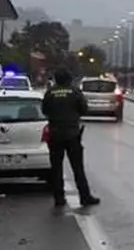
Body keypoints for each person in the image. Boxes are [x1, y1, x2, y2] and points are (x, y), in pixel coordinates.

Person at [41, 67, 100, 208]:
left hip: (55, 135)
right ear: (69, 79)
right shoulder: (75, 92)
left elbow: (44, 110)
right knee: (77, 168)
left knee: (56, 168)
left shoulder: (50, 93)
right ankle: (84, 196)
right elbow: (84, 109)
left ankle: (59, 198)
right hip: (72, 134)